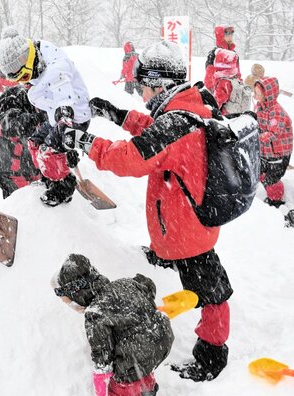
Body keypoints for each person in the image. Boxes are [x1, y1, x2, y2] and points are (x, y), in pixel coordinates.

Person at [63, 41, 233, 382]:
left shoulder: (177, 124)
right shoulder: (188, 106)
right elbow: (155, 130)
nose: (140, 93)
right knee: (206, 282)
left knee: (213, 293)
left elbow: (131, 158)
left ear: (160, 84)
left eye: (142, 86)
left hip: (189, 232)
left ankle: (212, 354)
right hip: (186, 221)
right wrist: (116, 113)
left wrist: (84, 141)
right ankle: (165, 257)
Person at [52, 254, 173, 396]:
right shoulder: (126, 283)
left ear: (78, 295)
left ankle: (135, 390)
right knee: (140, 360)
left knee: (122, 381)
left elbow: (103, 361)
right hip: (162, 338)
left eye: (70, 303)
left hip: (137, 357)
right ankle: (147, 388)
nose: (73, 307)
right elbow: (148, 285)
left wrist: (100, 391)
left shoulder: (95, 313)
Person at [0, 26, 91, 206]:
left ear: (27, 57)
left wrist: (65, 125)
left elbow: (63, 91)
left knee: (49, 151)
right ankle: (52, 177)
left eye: (23, 75)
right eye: (18, 79)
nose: (24, 81)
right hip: (54, 118)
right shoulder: (34, 64)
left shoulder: (55, 66)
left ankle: (64, 187)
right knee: (35, 143)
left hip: (73, 116)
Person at [0, 83, 45, 198]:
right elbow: (10, 126)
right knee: (23, 207)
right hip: (12, 169)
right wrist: (38, 118)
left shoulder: (47, 99)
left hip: (34, 168)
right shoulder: (13, 96)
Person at [253, 77, 293, 207]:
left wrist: (257, 138)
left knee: (272, 178)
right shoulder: (260, 108)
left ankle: (277, 202)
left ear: (267, 95)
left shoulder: (276, 111)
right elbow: (257, 124)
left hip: (279, 153)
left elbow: (273, 133)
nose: (255, 96)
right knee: (262, 174)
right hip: (267, 151)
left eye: (257, 94)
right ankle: (272, 195)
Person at [212, 48, 250, 114]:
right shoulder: (235, 79)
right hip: (237, 115)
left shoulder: (223, 83)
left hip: (226, 118)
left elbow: (217, 103)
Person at [204, 26, 241, 91]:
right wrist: (216, 92)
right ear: (220, 36)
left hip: (233, 93)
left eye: (231, 34)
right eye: (227, 34)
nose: (230, 37)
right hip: (219, 93)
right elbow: (209, 79)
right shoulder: (214, 54)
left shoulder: (234, 54)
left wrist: (240, 85)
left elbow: (238, 74)